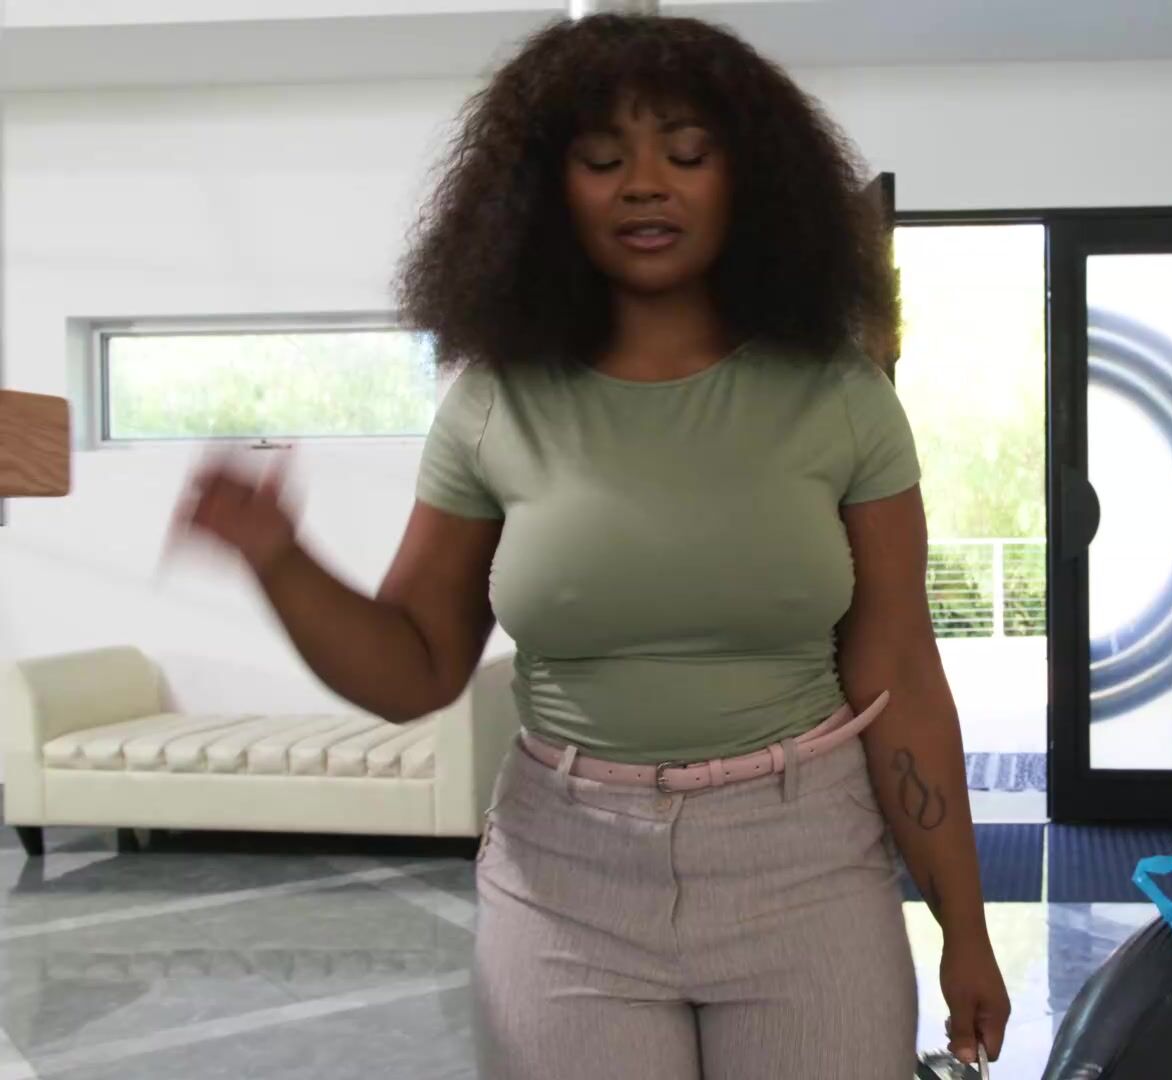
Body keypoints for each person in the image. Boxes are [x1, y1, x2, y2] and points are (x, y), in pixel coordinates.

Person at [174, 13, 1009, 1079]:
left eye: (687, 154)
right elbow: (414, 667)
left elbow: (900, 675)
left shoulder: (840, 398)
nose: (644, 185)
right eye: (603, 160)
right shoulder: (493, 405)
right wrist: (279, 560)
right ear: (543, 192)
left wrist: (964, 926)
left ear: (749, 182)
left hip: (807, 868)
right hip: (566, 879)